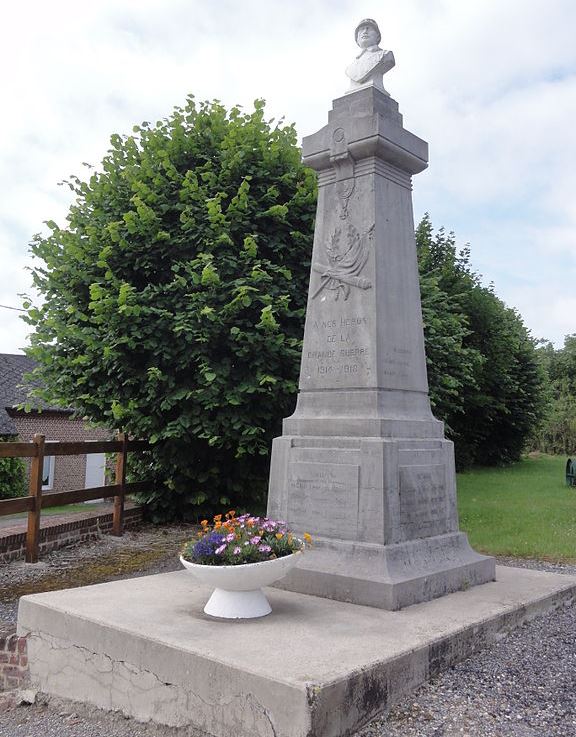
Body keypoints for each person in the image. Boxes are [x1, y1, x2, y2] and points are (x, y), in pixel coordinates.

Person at [345, 18, 395, 95]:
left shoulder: (386, 55)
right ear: (357, 39)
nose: (365, 32)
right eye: (361, 30)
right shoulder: (350, 68)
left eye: (369, 29)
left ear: (378, 36)